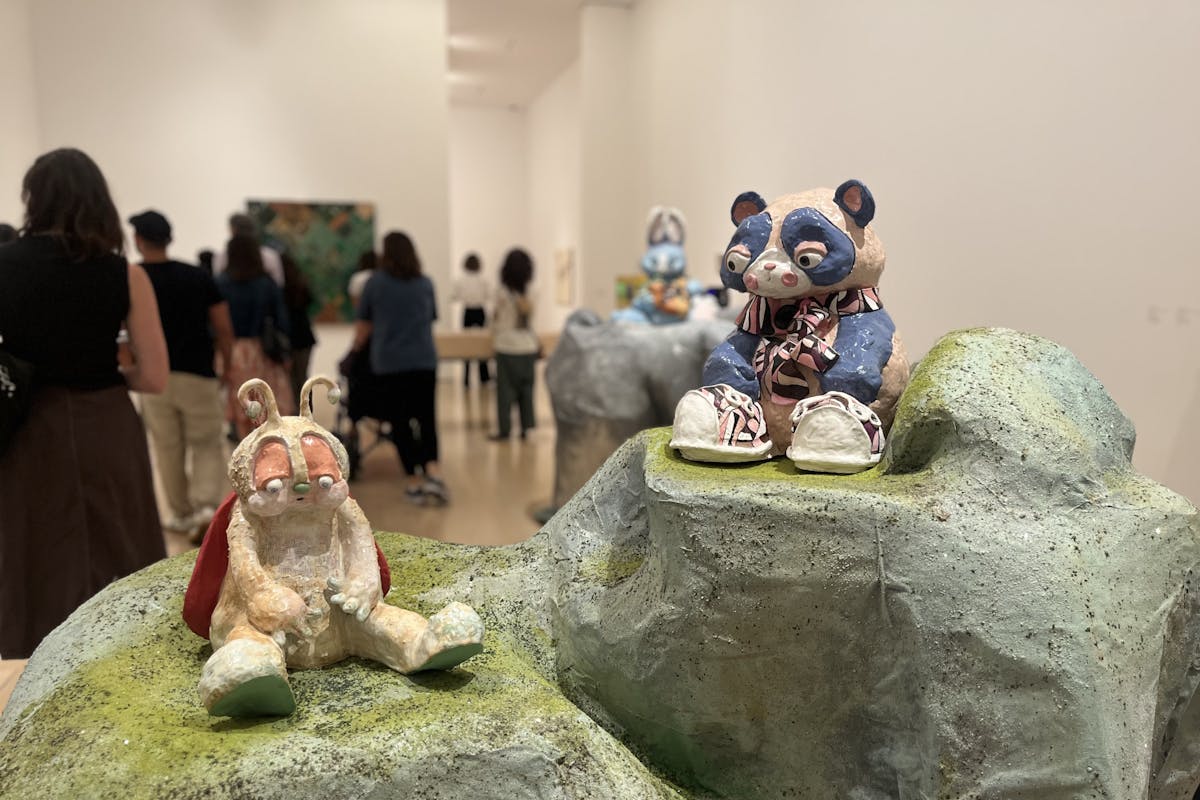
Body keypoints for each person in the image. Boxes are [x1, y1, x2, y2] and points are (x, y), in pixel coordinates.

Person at [0, 148, 169, 658]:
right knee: (119, 540)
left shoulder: (3, 265)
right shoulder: (125, 274)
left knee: (35, 547)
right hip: (107, 422)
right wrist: (109, 365)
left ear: (34, 198)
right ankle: (125, 659)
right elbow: (155, 376)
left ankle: (40, 670)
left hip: (30, 425)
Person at [128, 209, 234, 542]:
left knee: (166, 446)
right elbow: (223, 327)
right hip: (198, 372)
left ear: (139, 240)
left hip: (152, 376)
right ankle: (205, 509)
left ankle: (179, 513)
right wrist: (227, 365)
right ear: (169, 238)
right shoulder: (197, 276)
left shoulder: (133, 277)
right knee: (205, 443)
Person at [347, 231, 447, 504]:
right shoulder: (425, 283)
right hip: (424, 361)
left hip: (389, 364)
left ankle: (413, 478)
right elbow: (430, 318)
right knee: (427, 418)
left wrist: (353, 354)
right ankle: (434, 472)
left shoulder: (375, 284)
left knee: (401, 422)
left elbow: (363, 328)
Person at [215, 234, 293, 437]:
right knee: (267, 408)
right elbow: (281, 321)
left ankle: (246, 456)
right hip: (262, 351)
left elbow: (214, 323)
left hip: (233, 351)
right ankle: (267, 458)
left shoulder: (221, 283)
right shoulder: (266, 283)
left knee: (243, 407)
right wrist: (286, 354)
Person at [490, 248, 539, 441]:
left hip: (506, 346)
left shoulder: (500, 292)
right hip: (528, 346)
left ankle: (505, 429)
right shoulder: (533, 291)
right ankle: (526, 428)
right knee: (526, 390)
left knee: (505, 391)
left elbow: (496, 320)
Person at [281, 252, 317, 408]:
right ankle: (306, 412)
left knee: (290, 380)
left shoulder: (279, 288)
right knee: (303, 378)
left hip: (287, 337)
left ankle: (294, 413)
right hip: (304, 336)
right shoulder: (301, 285)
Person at [451, 252, 491, 386]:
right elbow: (488, 295)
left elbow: (455, 296)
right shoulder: (483, 279)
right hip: (479, 311)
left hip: (468, 311)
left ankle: (466, 378)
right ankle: (484, 376)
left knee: (466, 343)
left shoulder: (461, 280)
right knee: (482, 344)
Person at [212, 213, 284, 286]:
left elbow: (218, 288)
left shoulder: (221, 257)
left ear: (232, 230)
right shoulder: (270, 256)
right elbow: (278, 284)